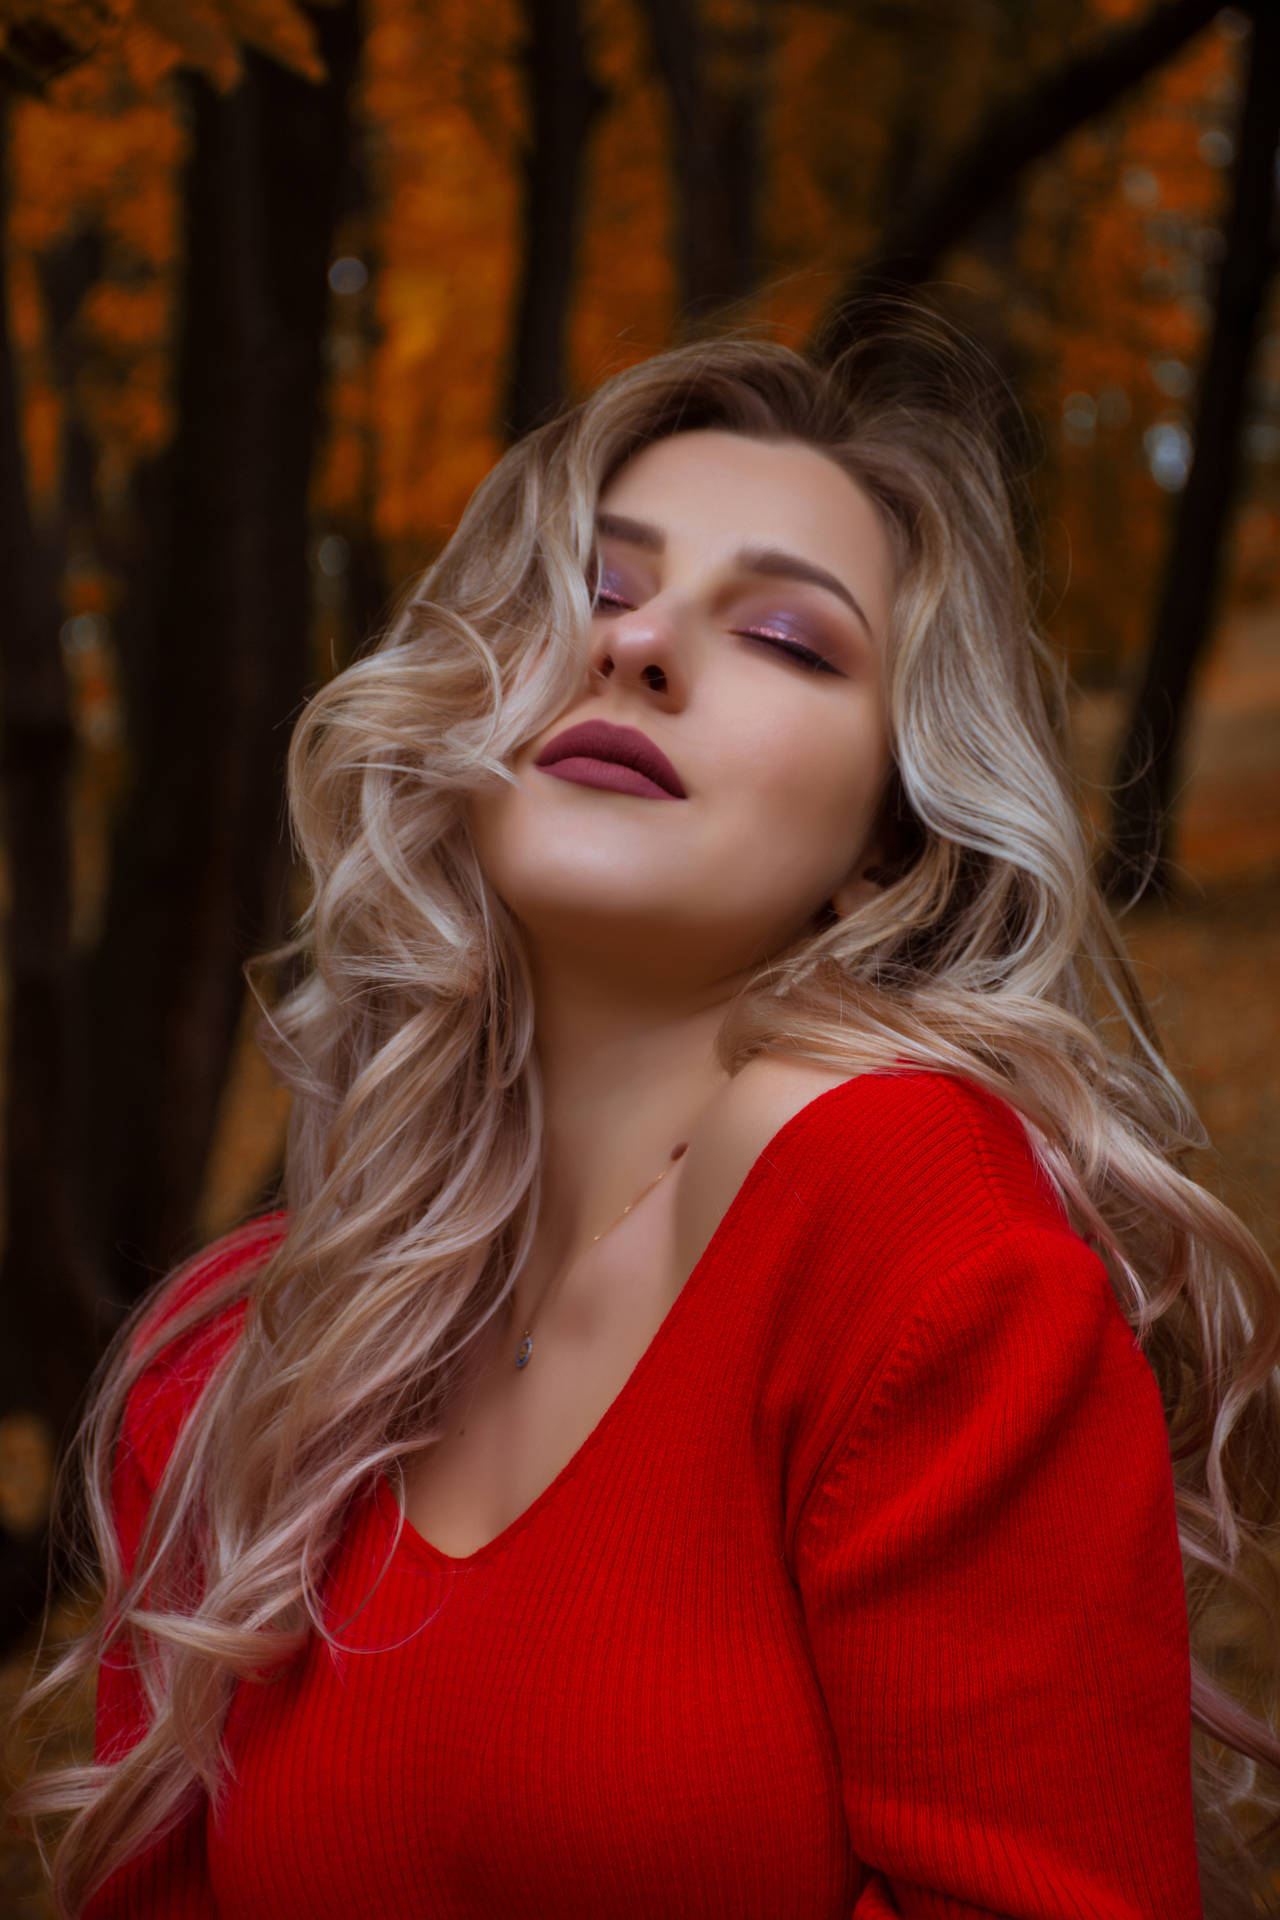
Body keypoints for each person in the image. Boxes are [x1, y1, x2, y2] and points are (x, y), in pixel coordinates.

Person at [10, 299, 1280, 1919]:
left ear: (891, 842)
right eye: (591, 591)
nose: (636, 643)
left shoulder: (903, 1220)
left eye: (786, 639)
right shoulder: (232, 1370)